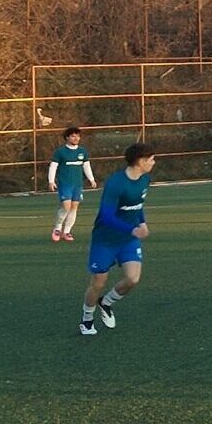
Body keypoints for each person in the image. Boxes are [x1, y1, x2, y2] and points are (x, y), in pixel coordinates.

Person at [78, 143, 156, 336]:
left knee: (133, 278)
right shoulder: (116, 183)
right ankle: (87, 319)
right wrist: (132, 229)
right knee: (98, 282)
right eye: (151, 159)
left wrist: (142, 223)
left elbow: (137, 205)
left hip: (128, 239)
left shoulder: (145, 179)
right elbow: (107, 216)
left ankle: (106, 302)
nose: (154, 162)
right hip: (105, 240)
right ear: (140, 161)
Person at [46, 127, 95, 242]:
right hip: (65, 183)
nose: (76, 138)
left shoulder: (82, 151)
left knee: (74, 207)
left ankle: (67, 232)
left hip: (77, 184)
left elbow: (86, 166)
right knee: (66, 206)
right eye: (73, 136)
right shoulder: (60, 152)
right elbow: (53, 166)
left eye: (78, 136)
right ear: (67, 138)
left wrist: (91, 179)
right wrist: (51, 181)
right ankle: (57, 229)